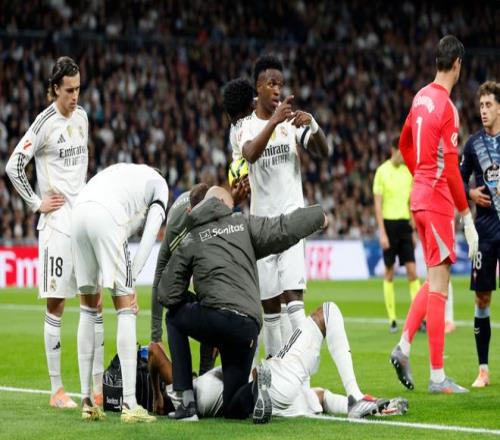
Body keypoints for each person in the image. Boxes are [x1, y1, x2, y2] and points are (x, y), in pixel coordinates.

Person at [157, 186, 328, 421]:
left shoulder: (192, 237)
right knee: (233, 409)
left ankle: (186, 404)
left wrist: (193, 300)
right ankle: (258, 387)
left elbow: (167, 294)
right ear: (223, 204)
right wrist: (317, 216)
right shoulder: (244, 224)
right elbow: (282, 228)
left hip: (216, 318)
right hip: (247, 328)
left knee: (174, 317)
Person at [5, 56, 104, 409]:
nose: (75, 97)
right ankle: (57, 390)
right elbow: (14, 165)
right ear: (55, 90)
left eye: (78, 89)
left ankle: (97, 388)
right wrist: (36, 203)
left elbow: (82, 165)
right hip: (57, 224)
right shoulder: (44, 123)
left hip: (83, 220)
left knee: (93, 300)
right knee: (57, 303)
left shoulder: (83, 118)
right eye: (69, 90)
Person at [390, 35, 479, 394]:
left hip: (418, 199)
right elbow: (453, 170)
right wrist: (466, 217)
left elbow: (403, 144)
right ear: (457, 64)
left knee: (432, 281)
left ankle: (403, 347)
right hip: (438, 201)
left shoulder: (420, 97)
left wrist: (420, 178)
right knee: (441, 287)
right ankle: (438, 377)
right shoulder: (447, 108)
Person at [147, 303, 408, 420]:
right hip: (270, 380)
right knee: (327, 312)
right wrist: (156, 393)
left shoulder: (198, 395)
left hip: (276, 400)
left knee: (317, 396)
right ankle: (355, 397)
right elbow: (155, 351)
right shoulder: (182, 393)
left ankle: (364, 408)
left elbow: (320, 397)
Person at [233, 55, 330, 358]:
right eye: (271, 83)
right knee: (270, 308)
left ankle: (302, 374)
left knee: (294, 300)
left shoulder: (290, 123)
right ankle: (275, 371)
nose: (277, 89)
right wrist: (274, 121)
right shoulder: (244, 126)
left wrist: (312, 124)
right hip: (262, 227)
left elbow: (323, 151)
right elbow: (250, 153)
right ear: (258, 87)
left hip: (290, 223)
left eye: (280, 84)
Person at [72, 163, 168, 423]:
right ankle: (129, 403)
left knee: (87, 310)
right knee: (126, 310)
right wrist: (131, 278)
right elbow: (151, 233)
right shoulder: (160, 185)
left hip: (78, 213)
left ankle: (87, 401)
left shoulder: (125, 173)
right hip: (106, 214)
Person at [460, 81, 500, 388]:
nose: (484, 110)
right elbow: (457, 182)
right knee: (482, 297)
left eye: (489, 105)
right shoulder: (473, 145)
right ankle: (483, 370)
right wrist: (471, 193)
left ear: (499, 108)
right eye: (481, 106)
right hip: (485, 232)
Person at [373, 139, 421, 333]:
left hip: (405, 225)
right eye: (402, 152)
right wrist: (382, 233)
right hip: (389, 225)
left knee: (412, 272)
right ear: (393, 150)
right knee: (389, 272)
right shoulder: (381, 171)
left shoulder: (408, 171)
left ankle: (419, 318)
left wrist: (414, 229)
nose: (405, 155)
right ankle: (392, 319)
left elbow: (411, 201)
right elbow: (377, 205)